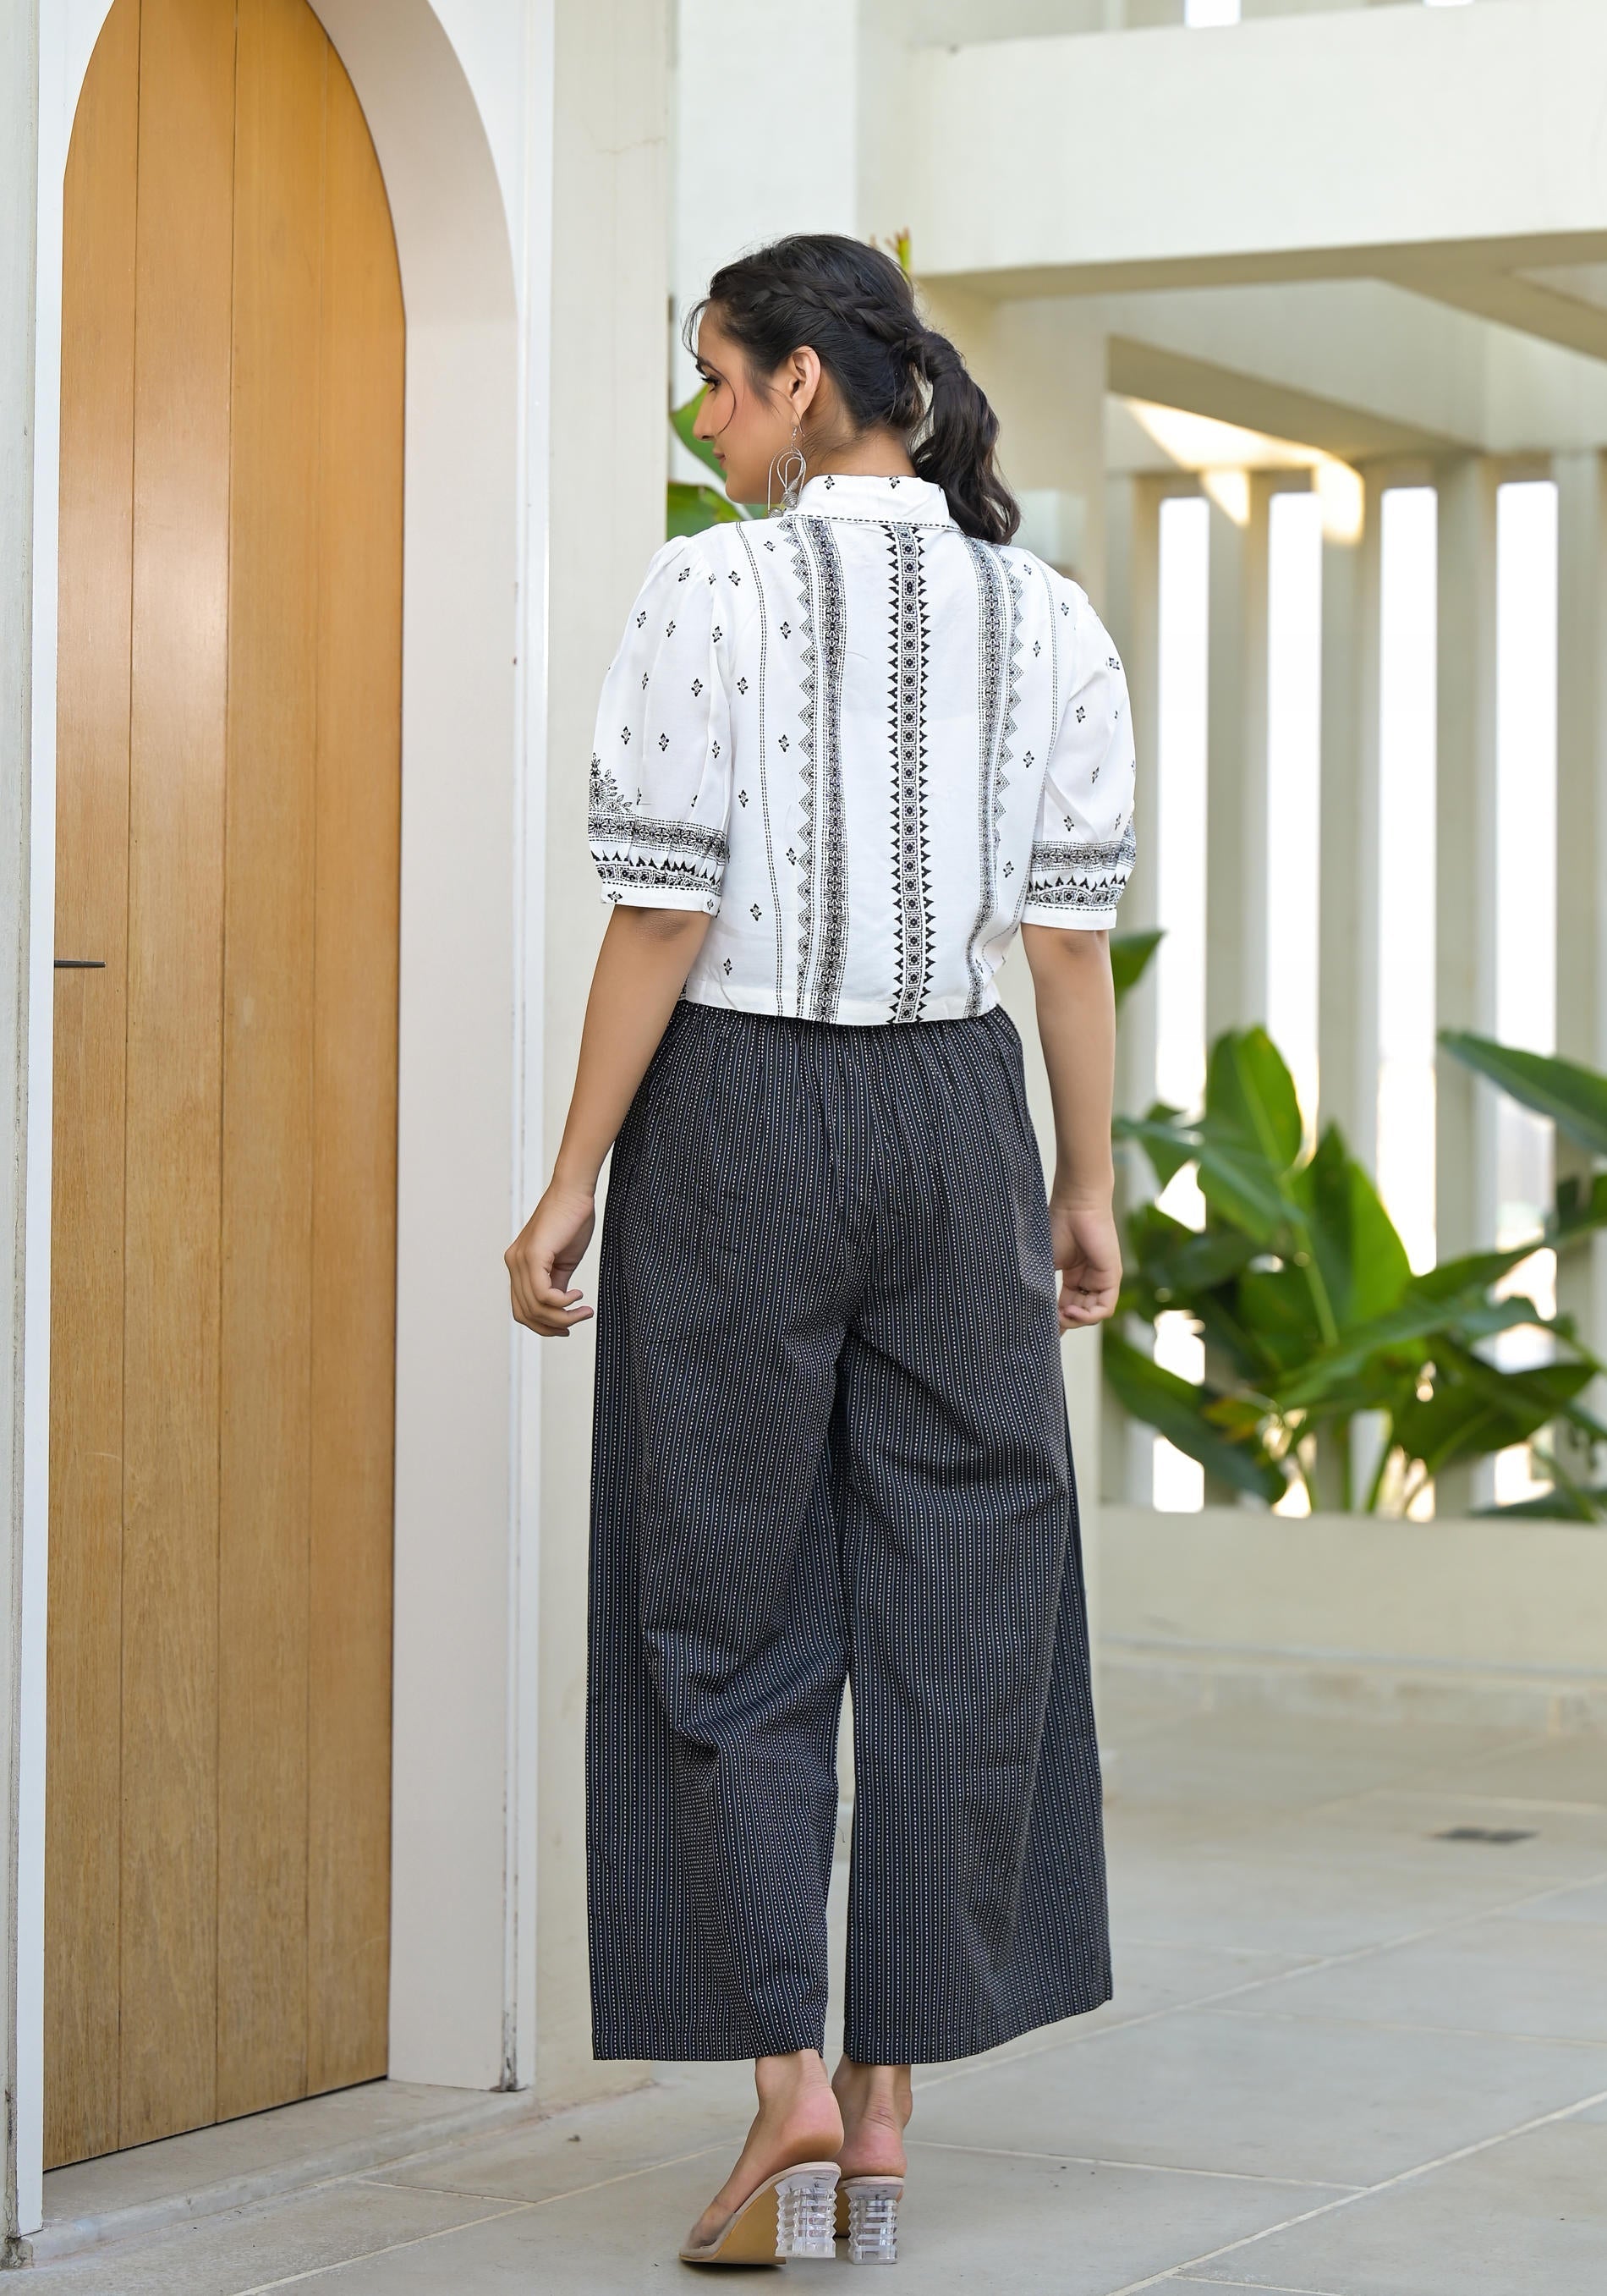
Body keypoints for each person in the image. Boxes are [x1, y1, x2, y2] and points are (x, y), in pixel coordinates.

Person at [505, 233, 1133, 2269]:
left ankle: (778, 2079)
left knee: (720, 1595)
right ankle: (881, 2121)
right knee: (970, 1591)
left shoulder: (710, 580)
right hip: (958, 1113)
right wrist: (1081, 1179)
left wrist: (571, 1170)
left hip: (738, 1120)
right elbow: (1063, 939)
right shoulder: (1041, 613)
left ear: (796, 386)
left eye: (712, 379)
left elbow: (661, 915)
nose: (698, 419)